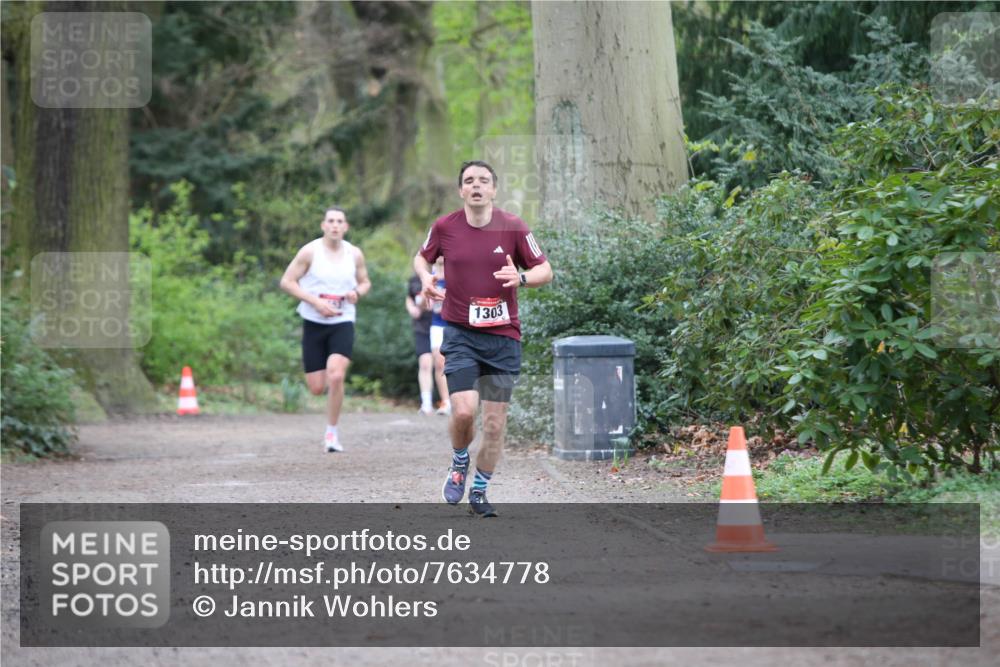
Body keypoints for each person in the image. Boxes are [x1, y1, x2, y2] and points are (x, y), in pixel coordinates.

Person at [414, 160, 553, 517]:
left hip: (503, 338)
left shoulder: (513, 227)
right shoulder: (445, 227)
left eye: (484, 180)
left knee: (493, 425)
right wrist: (426, 278)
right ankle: (460, 461)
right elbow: (421, 258)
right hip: (460, 333)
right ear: (461, 190)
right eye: (469, 181)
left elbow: (544, 270)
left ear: (493, 189)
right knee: (463, 411)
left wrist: (521, 279)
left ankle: (479, 489)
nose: (476, 186)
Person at [281, 207, 371, 453]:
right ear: (323, 225)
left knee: (336, 375)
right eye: (330, 221)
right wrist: (315, 302)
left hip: (343, 321)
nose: (334, 225)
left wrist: (356, 293)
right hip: (313, 321)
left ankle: (332, 433)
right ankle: (329, 423)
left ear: (346, 227)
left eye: (339, 221)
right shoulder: (310, 251)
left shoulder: (354, 254)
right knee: (317, 387)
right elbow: (286, 282)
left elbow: (365, 282)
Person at [405, 272, 435, 415]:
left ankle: (448, 402)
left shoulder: (444, 275)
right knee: (425, 363)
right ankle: (426, 403)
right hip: (421, 327)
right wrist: (411, 308)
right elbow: (409, 297)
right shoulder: (415, 279)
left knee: (443, 364)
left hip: (441, 325)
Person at [428, 258, 450, 415]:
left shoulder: (456, 272)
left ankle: (460, 399)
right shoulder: (430, 277)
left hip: (455, 324)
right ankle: (446, 401)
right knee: (439, 362)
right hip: (437, 324)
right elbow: (424, 303)